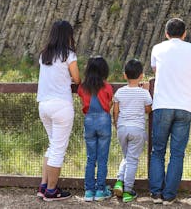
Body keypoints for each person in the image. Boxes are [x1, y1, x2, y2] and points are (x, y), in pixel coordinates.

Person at [149, 18, 191, 205]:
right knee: (177, 153)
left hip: (162, 105)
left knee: (157, 151)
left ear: (166, 33)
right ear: (185, 33)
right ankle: (169, 196)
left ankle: (156, 193)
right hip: (184, 106)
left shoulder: (157, 48)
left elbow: (156, 71)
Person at [36, 20, 81, 201]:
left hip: (44, 105)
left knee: (52, 145)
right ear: (68, 35)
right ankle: (52, 191)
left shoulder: (44, 55)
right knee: (58, 149)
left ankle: (44, 186)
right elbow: (77, 79)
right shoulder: (68, 55)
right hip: (61, 105)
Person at [112, 59, 153, 203]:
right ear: (141, 76)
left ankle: (119, 182)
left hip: (122, 128)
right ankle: (128, 191)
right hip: (137, 129)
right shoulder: (144, 93)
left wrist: (117, 125)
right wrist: (146, 92)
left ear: (124, 75)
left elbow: (115, 111)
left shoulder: (119, 92)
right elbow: (148, 109)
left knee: (127, 156)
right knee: (132, 160)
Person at [77, 56, 114, 202]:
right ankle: (100, 190)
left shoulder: (82, 88)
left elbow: (83, 105)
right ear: (104, 70)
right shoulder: (108, 87)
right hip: (104, 121)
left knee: (90, 158)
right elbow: (109, 103)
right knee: (102, 159)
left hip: (89, 121)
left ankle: (88, 191)